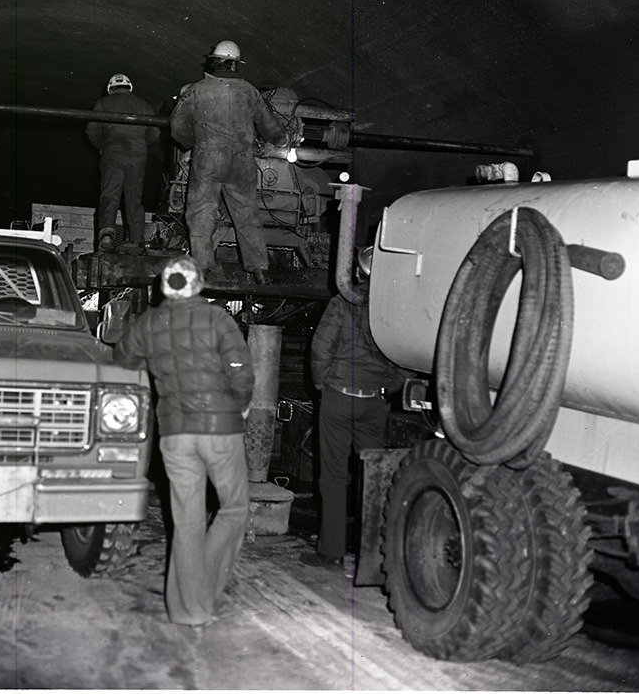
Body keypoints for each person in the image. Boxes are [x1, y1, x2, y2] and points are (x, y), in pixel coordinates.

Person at [114, 256, 255, 633]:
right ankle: (205, 583)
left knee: (187, 519)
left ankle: (188, 609)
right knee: (234, 507)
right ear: (198, 284)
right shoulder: (218, 319)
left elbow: (123, 359)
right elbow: (241, 370)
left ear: (164, 287)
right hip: (220, 429)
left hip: (175, 433)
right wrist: (241, 405)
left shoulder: (149, 322)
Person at [303, 245, 414, 568]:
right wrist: (387, 387)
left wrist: (322, 383)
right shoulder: (392, 311)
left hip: (339, 397)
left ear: (358, 272)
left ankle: (332, 552)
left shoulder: (342, 304)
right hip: (374, 403)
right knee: (374, 479)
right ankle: (374, 560)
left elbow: (321, 349)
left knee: (334, 477)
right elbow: (404, 359)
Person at [168, 39, 292, 285]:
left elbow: (177, 127)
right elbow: (268, 125)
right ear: (235, 65)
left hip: (208, 159)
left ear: (214, 62)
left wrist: (193, 144)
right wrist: (281, 139)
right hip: (242, 160)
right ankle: (259, 269)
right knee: (246, 212)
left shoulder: (196, 90)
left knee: (201, 212)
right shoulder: (249, 91)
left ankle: (203, 267)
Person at [86, 73, 160, 251]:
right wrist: (140, 145)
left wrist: (104, 146)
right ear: (130, 87)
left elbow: (92, 130)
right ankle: (136, 241)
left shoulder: (103, 103)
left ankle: (106, 235)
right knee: (134, 198)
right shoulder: (144, 104)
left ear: (111, 88)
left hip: (113, 151)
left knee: (110, 194)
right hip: (138, 154)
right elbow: (155, 132)